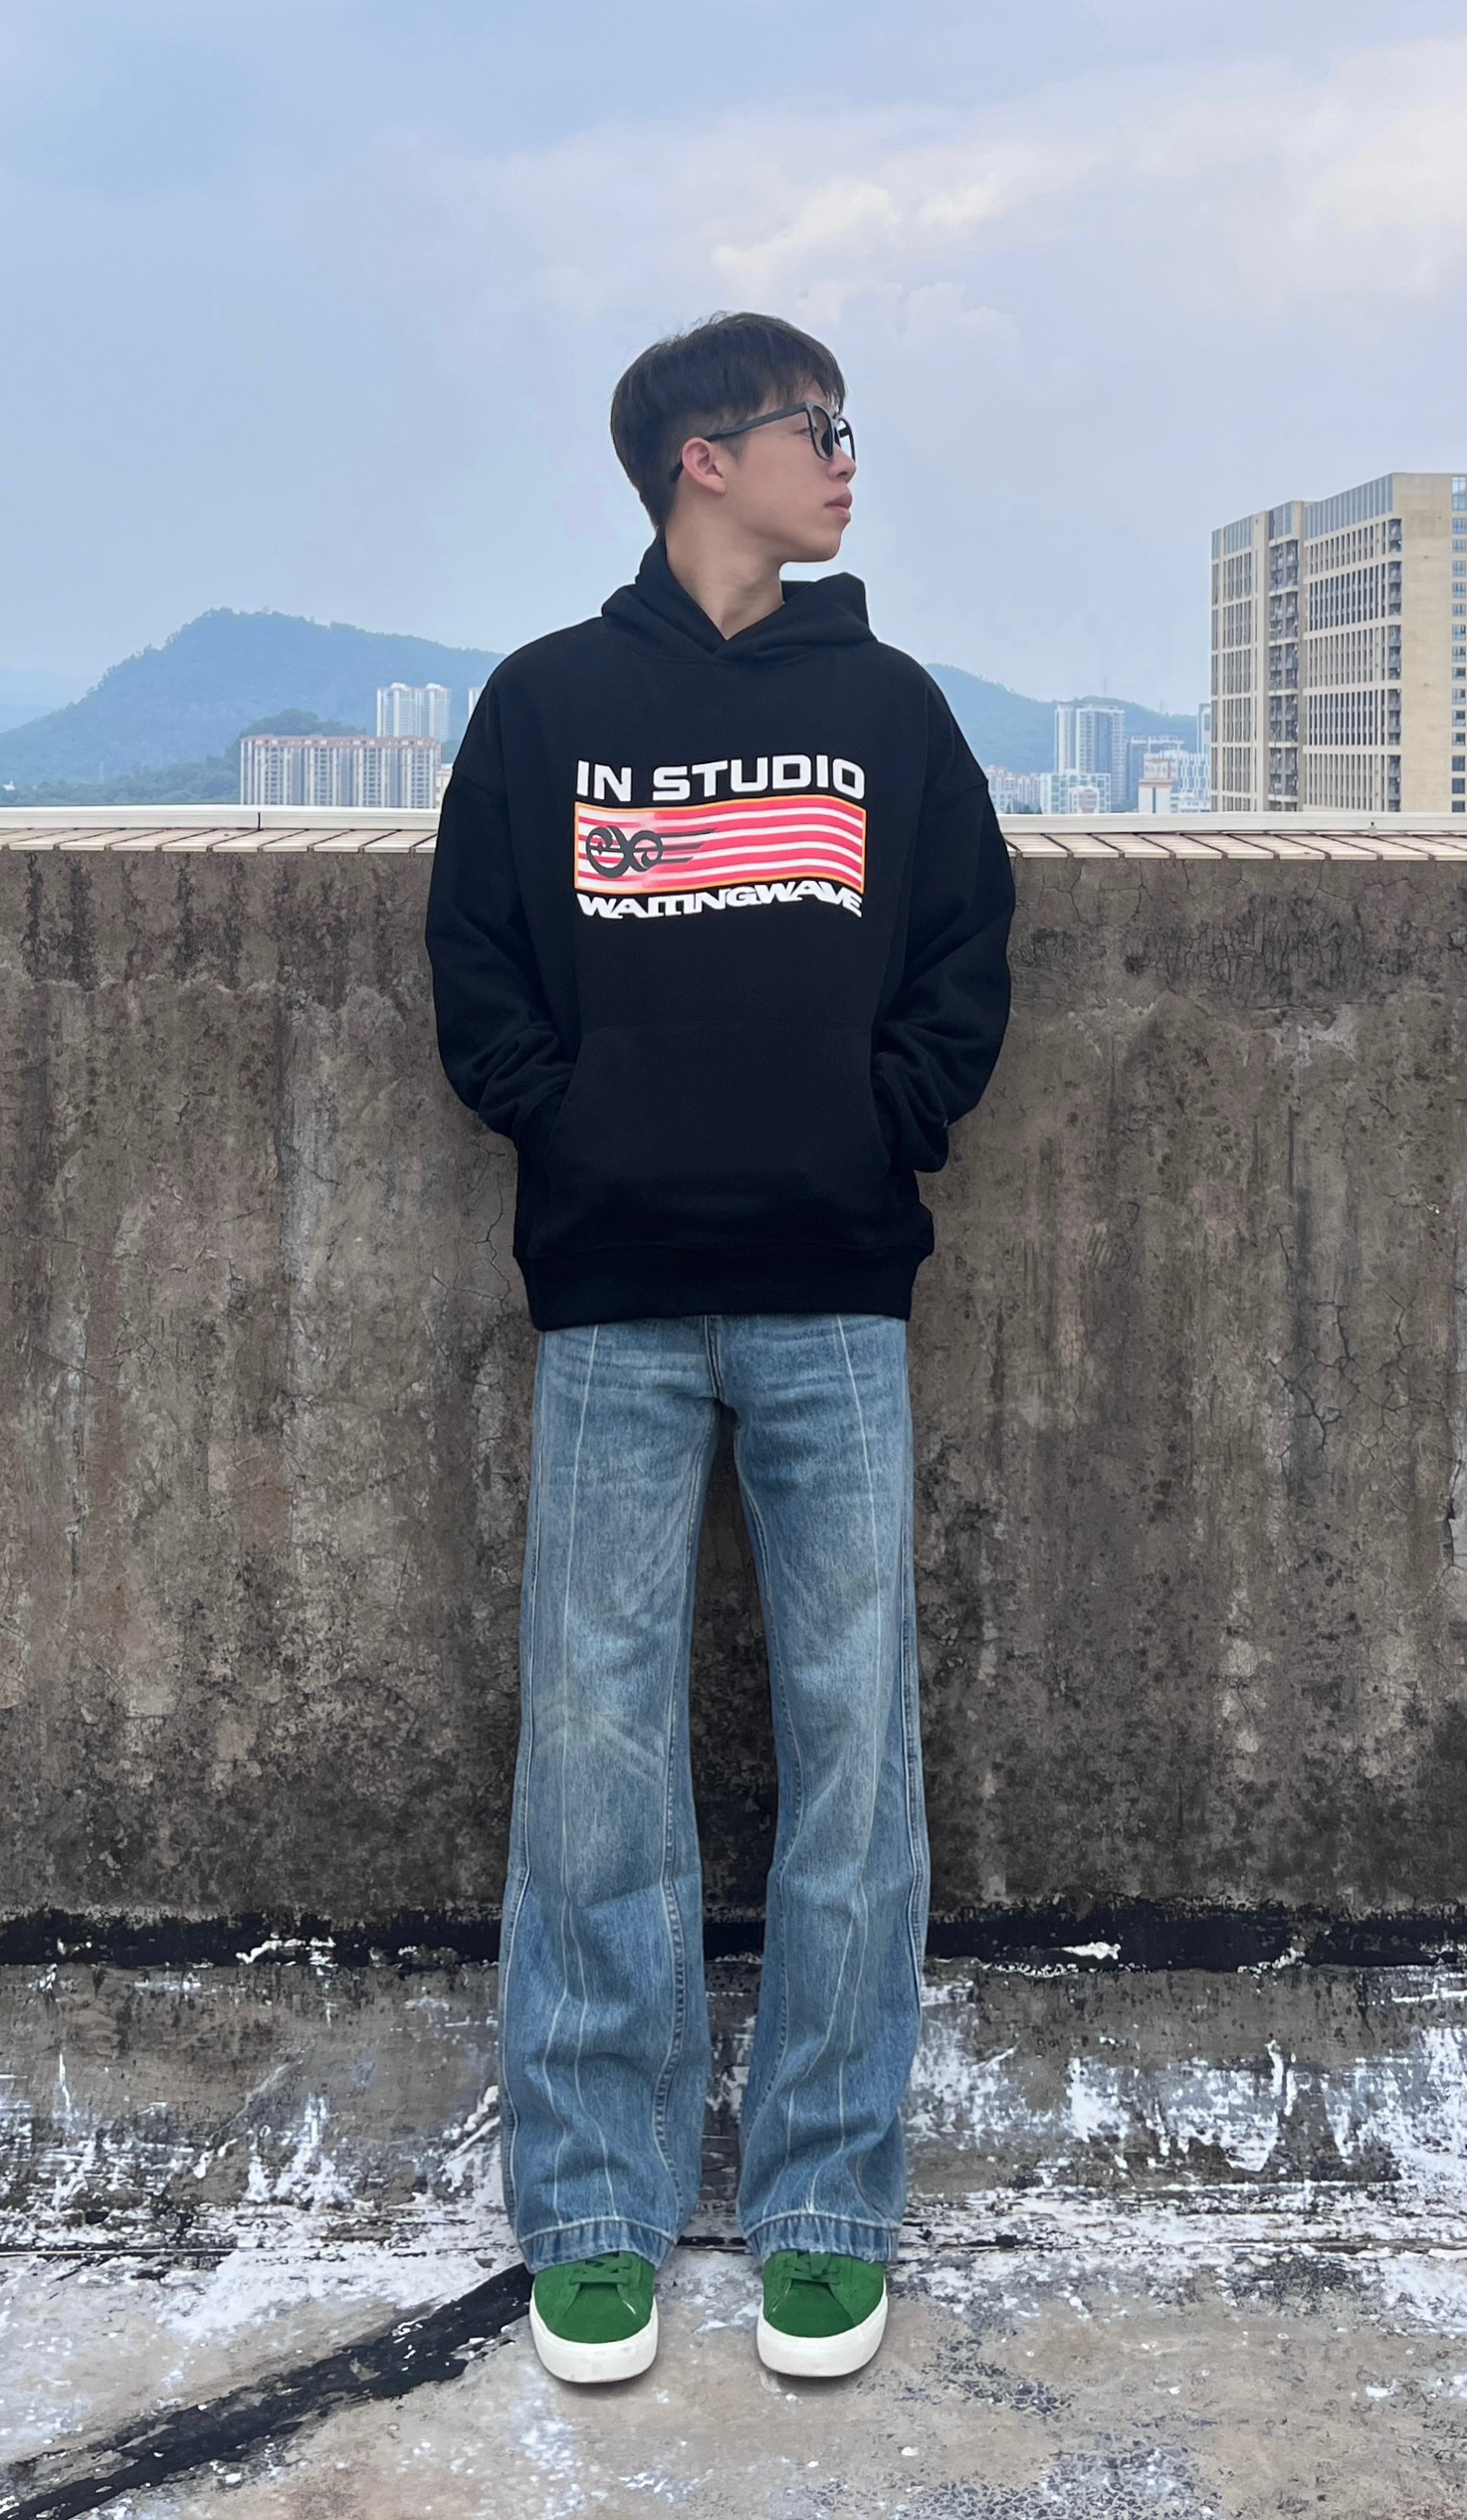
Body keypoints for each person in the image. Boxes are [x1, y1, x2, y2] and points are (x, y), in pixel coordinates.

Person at [425, 311, 1013, 2386]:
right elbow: (475, 967)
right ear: (703, 457)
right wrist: (578, 1124)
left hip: (835, 1292)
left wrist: (879, 1119)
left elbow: (966, 952)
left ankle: (825, 2200)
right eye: (813, 428)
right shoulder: (547, 702)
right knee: (593, 1755)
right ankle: (592, 2201)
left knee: (858, 1758)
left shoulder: (886, 707)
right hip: (610, 1296)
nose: (844, 461)